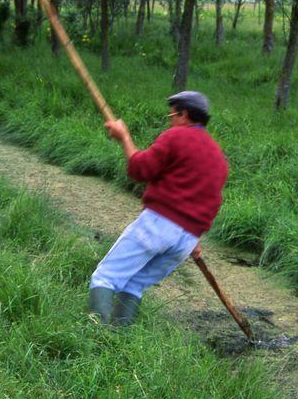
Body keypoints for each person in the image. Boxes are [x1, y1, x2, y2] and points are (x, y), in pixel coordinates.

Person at [88, 90, 229, 325]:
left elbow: (139, 170)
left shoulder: (176, 137)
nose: (171, 121)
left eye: (172, 115)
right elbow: (211, 200)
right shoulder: (218, 157)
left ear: (184, 114)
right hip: (186, 241)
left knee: (105, 277)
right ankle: (115, 340)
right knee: (135, 284)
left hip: (158, 226)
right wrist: (194, 235)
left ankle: (91, 338)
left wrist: (124, 137)